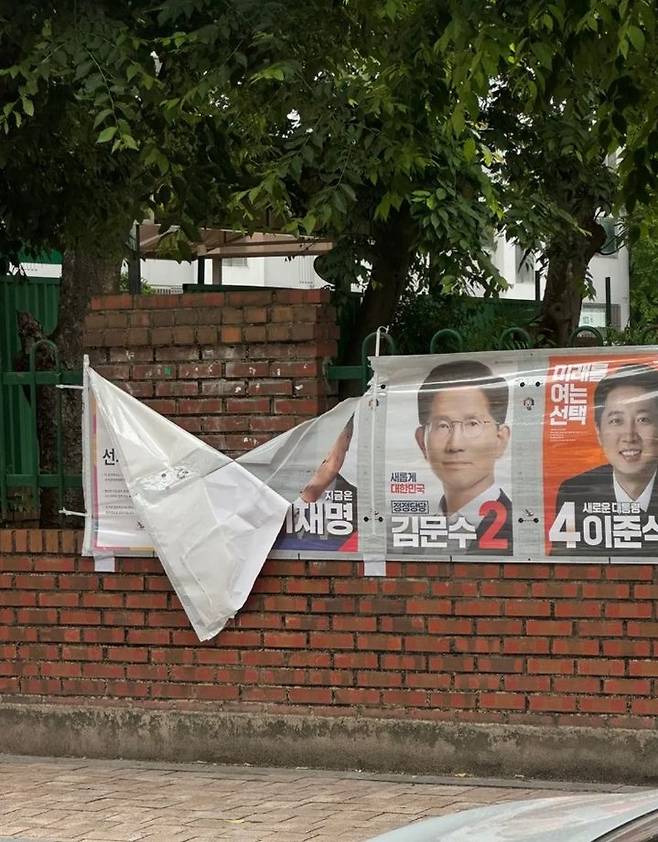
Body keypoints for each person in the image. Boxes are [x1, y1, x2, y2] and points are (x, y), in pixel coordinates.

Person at [553, 364, 658, 553]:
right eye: (616, 421)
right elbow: (566, 561)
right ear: (599, 432)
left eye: (643, 419)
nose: (629, 436)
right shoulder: (575, 492)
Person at [414, 359, 513, 553]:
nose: (455, 444)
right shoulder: (411, 536)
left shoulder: (518, 527)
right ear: (422, 442)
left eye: (472, 424)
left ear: (500, 439)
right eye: (443, 425)